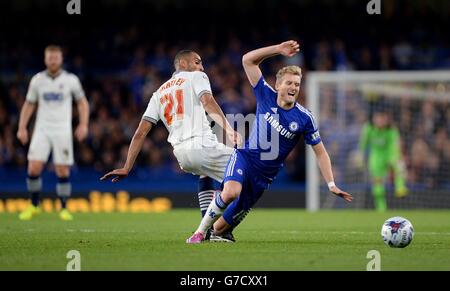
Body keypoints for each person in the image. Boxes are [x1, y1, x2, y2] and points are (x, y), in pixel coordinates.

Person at [186, 40, 353, 244]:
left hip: (263, 179)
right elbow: (247, 60)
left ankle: (214, 224)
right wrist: (277, 50)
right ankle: (199, 233)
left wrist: (331, 183)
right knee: (231, 192)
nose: (293, 88)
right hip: (245, 158)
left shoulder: (304, 118)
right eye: (289, 83)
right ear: (278, 84)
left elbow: (320, 152)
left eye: (297, 84)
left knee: (220, 230)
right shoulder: (265, 94)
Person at [101, 50, 242, 241]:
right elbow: (207, 101)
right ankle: (218, 230)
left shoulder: (158, 93)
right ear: (183, 63)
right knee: (248, 176)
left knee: (206, 174)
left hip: (182, 155)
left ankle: (208, 231)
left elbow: (140, 132)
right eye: (198, 62)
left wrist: (127, 166)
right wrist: (229, 129)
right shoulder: (196, 77)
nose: (202, 67)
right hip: (202, 145)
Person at [17, 45, 90, 221]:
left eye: (56, 57)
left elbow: (82, 103)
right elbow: (29, 104)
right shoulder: (37, 80)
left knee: (62, 170)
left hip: (62, 129)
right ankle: (34, 205)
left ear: (61, 59)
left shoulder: (71, 80)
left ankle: (63, 208)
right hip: (42, 129)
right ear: (45, 59)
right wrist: (22, 127)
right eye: (50, 57)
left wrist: (83, 124)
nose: (53, 60)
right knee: (33, 166)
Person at [359, 110, 408, 212]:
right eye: (378, 117)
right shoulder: (368, 128)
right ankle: (381, 209)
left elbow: (396, 145)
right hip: (376, 155)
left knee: (399, 165)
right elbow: (363, 144)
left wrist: (397, 158)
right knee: (377, 183)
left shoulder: (391, 130)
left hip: (390, 153)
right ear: (374, 118)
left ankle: (400, 188)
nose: (380, 120)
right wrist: (361, 155)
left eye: (383, 117)